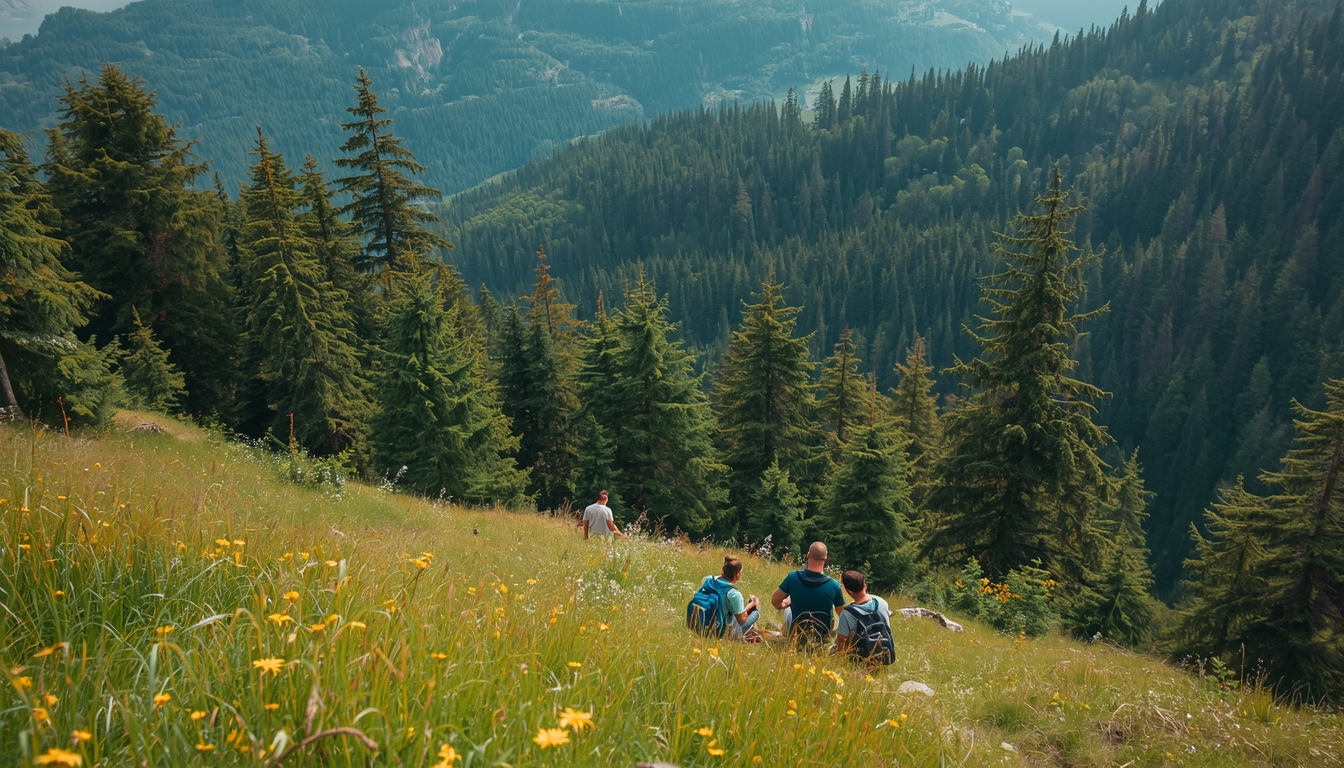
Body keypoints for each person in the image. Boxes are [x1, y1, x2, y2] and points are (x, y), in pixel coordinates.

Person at [771, 541, 845, 644]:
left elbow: (775, 601)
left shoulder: (793, 577)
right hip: (821, 637)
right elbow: (843, 614)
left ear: (808, 555)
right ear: (825, 558)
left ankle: (785, 633)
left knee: (787, 602)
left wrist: (785, 603)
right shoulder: (834, 585)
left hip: (796, 633)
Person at [835, 570, 893, 659]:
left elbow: (841, 640)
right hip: (886, 652)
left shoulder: (847, 613)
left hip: (862, 658)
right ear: (864, 585)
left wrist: (840, 659)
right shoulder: (881, 602)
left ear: (848, 591)